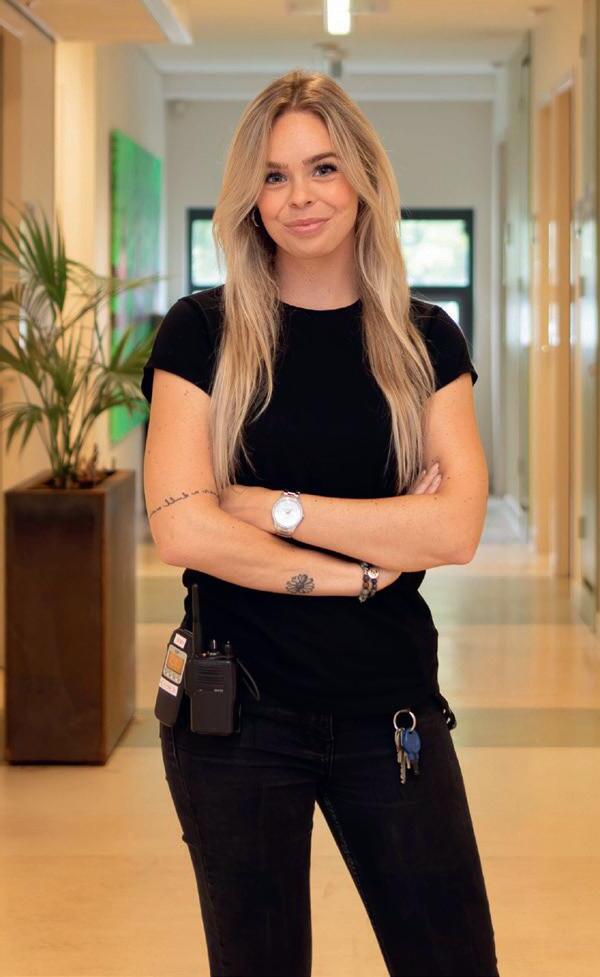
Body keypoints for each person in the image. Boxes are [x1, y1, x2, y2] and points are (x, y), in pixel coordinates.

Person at [141, 69, 498, 977]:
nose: (299, 196)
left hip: (391, 710)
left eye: (323, 167)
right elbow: (183, 528)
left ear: (363, 179)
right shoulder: (201, 333)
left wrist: (274, 508)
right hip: (235, 718)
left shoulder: (425, 341)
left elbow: (455, 527)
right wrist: (363, 567)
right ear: (249, 197)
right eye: (274, 175)